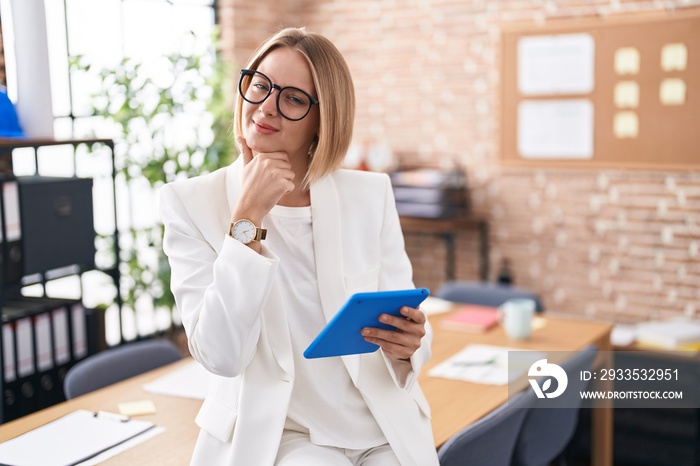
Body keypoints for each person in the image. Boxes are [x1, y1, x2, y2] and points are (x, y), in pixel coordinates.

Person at [160, 27, 439, 466]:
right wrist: (246, 219)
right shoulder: (192, 203)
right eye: (260, 85)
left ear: (322, 121)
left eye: (292, 99)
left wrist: (410, 343)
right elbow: (220, 354)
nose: (265, 107)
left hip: (379, 422)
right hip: (282, 432)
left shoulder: (369, 194)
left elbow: (409, 323)